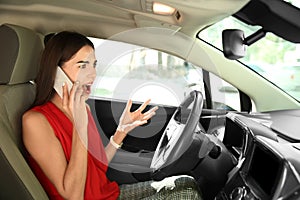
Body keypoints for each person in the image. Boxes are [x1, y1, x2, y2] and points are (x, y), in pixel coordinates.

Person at [22, 31, 202, 199]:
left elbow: (97, 167)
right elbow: (72, 195)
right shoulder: (36, 121)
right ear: (56, 72)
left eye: (94, 65)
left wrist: (121, 132)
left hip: (109, 193)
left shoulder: (84, 109)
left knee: (186, 182)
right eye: (82, 66)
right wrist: (79, 128)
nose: (92, 74)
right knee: (187, 193)